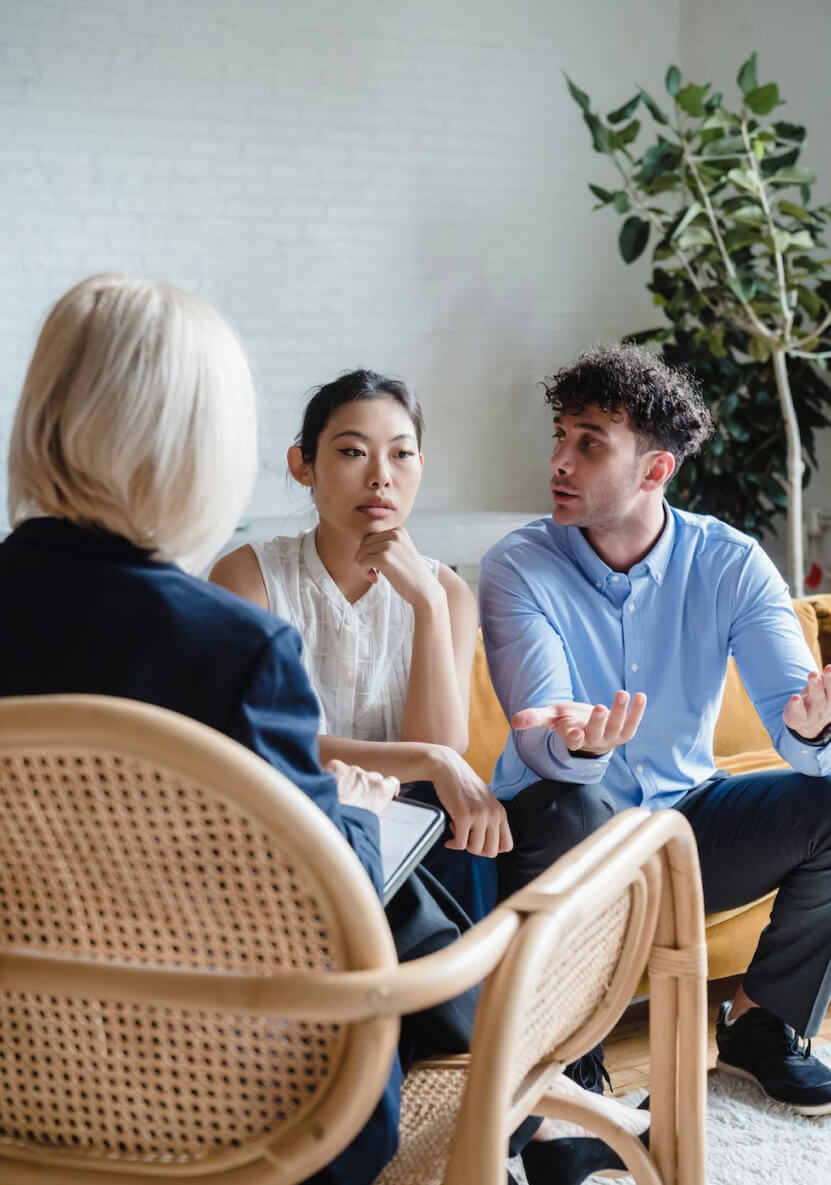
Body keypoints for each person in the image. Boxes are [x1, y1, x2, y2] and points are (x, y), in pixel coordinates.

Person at [0, 280, 643, 1185]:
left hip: (27, 1065)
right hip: (252, 1087)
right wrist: (341, 802)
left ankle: (537, 1118)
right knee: (427, 891)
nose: (379, 475)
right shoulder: (231, 643)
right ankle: (536, 1099)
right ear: (203, 447)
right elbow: (319, 889)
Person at [479, 341, 831, 1118]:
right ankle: (570, 1067)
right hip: (553, 830)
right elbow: (539, 726)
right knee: (568, 801)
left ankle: (760, 1025)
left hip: (681, 823)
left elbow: (797, 723)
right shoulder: (517, 566)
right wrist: (574, 744)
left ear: (655, 469)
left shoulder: (731, 563)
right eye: (560, 436)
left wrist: (816, 727)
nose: (559, 461)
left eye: (588, 442)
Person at [211, 369, 511, 922]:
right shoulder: (248, 577)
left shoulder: (444, 592)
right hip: (292, 817)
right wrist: (431, 761)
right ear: (303, 466)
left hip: (411, 820)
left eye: (401, 455)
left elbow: (439, 749)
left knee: (462, 837)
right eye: (352, 452)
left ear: (419, 467)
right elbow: (258, 746)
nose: (381, 478)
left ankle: (467, 1004)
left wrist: (427, 604)